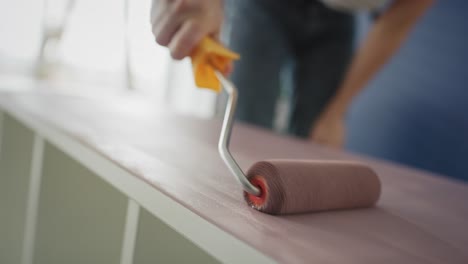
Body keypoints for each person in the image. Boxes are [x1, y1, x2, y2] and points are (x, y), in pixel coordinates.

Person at [150, 0, 433, 148]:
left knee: (318, 137)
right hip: (264, 5)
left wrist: (336, 112)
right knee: (246, 121)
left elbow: (397, 23)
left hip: (338, 19)